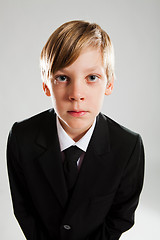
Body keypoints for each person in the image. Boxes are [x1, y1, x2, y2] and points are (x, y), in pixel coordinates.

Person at [7, 20, 144, 240]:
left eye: (92, 78)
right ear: (45, 84)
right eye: (62, 78)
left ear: (109, 84)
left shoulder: (127, 146)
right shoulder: (21, 138)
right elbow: (24, 209)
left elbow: (121, 217)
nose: (76, 94)